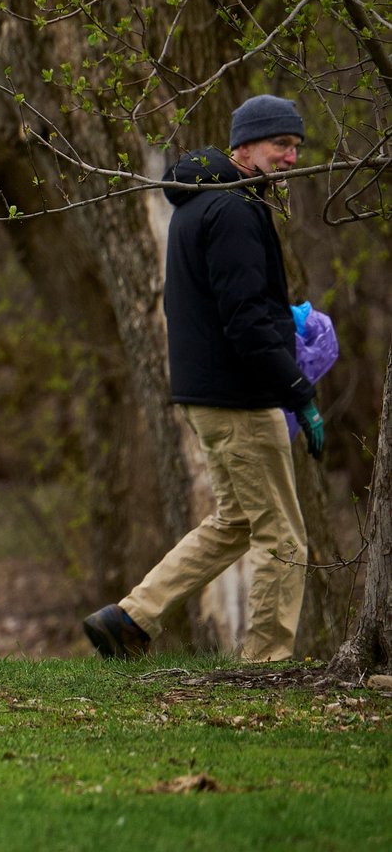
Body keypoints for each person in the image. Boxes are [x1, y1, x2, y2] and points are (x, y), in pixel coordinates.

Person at [84, 95, 325, 662]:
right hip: (239, 399)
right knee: (282, 535)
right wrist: (297, 389)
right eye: (280, 145)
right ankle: (266, 662)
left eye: (296, 146)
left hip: (210, 395)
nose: (291, 158)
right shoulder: (234, 210)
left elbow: (230, 307)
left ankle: (130, 618)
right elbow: (243, 320)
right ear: (245, 146)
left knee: (236, 521)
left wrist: (280, 320)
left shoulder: (203, 202)